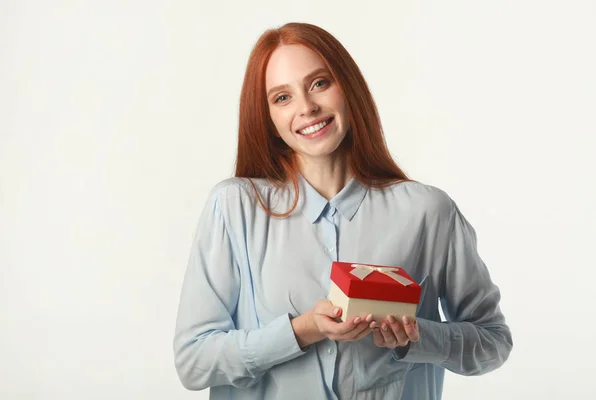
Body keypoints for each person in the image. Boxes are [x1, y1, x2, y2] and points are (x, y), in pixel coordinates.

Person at [173, 22, 513, 400]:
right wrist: (301, 331)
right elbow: (194, 362)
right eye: (282, 98)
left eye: (319, 83)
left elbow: (493, 342)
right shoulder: (235, 208)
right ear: (267, 117)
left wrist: (418, 336)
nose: (307, 107)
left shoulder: (428, 212)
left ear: (348, 87)